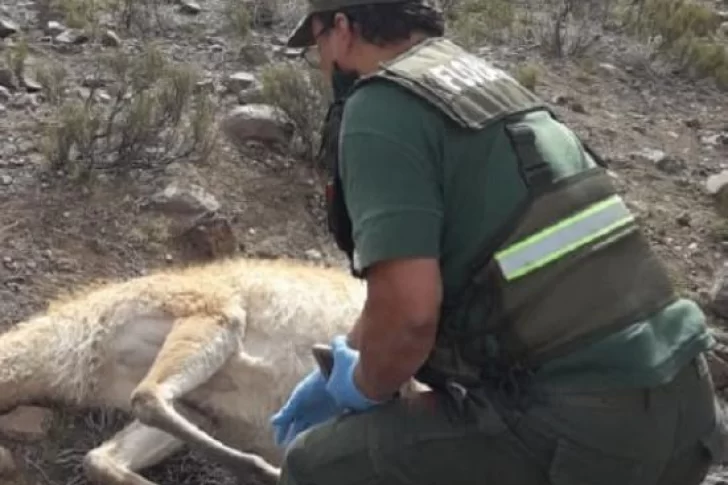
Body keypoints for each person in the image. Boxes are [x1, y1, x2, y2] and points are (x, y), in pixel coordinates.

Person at [269, 0, 726, 483]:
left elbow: (410, 318)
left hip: (587, 432)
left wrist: (360, 389)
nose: (321, 66)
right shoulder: (495, 89)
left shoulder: (379, 106)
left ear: (342, 29)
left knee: (318, 466)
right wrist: (342, 360)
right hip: (686, 409)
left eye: (316, 44)